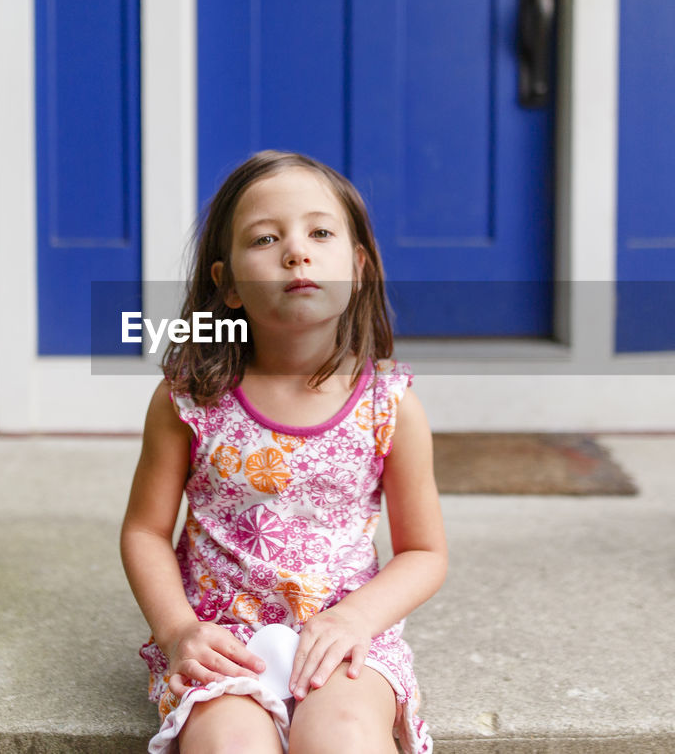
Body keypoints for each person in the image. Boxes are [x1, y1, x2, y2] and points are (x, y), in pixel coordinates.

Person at [120, 150, 447, 753]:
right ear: (228, 286)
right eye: (266, 238)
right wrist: (177, 632)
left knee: (345, 737)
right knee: (228, 746)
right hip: (221, 641)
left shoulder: (390, 407)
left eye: (319, 232)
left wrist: (356, 618)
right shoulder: (188, 400)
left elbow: (424, 552)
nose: (296, 251)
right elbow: (144, 531)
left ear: (357, 269)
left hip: (347, 638)